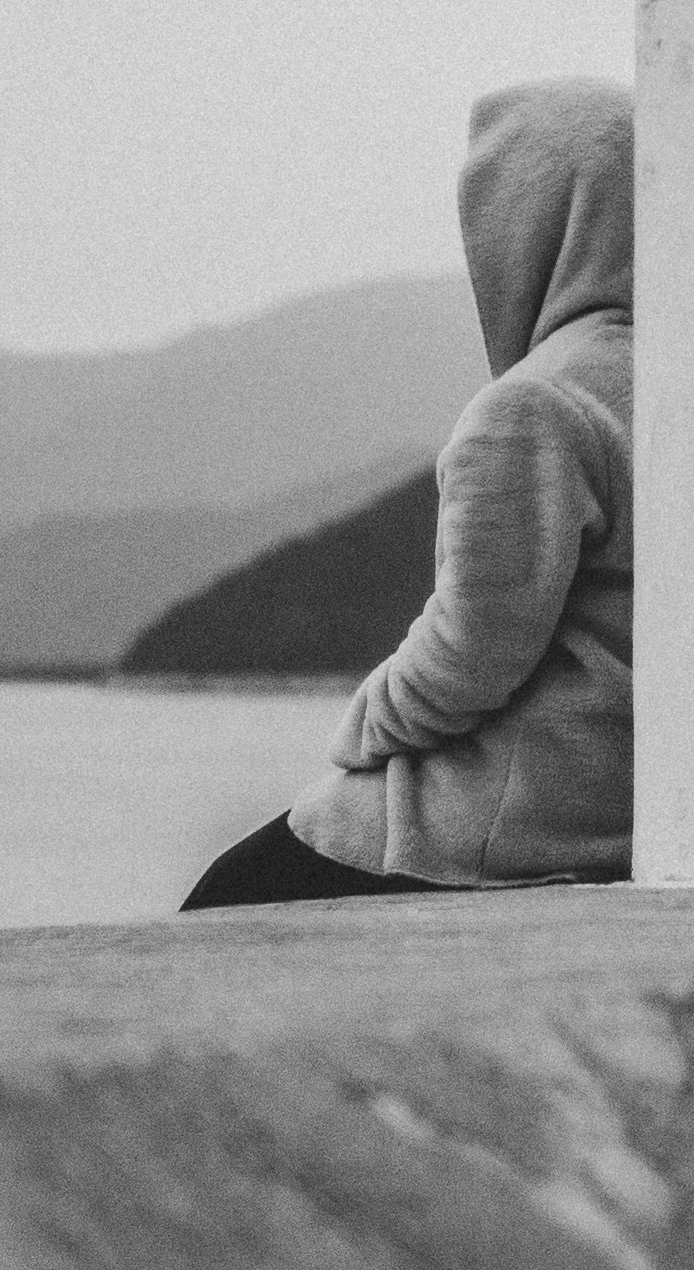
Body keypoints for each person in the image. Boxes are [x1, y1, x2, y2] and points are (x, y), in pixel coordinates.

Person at [182, 78, 635, 908]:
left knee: (227, 897)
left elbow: (470, 657)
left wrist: (361, 733)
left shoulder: (536, 407)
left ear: (530, 228)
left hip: (514, 819)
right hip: (637, 805)